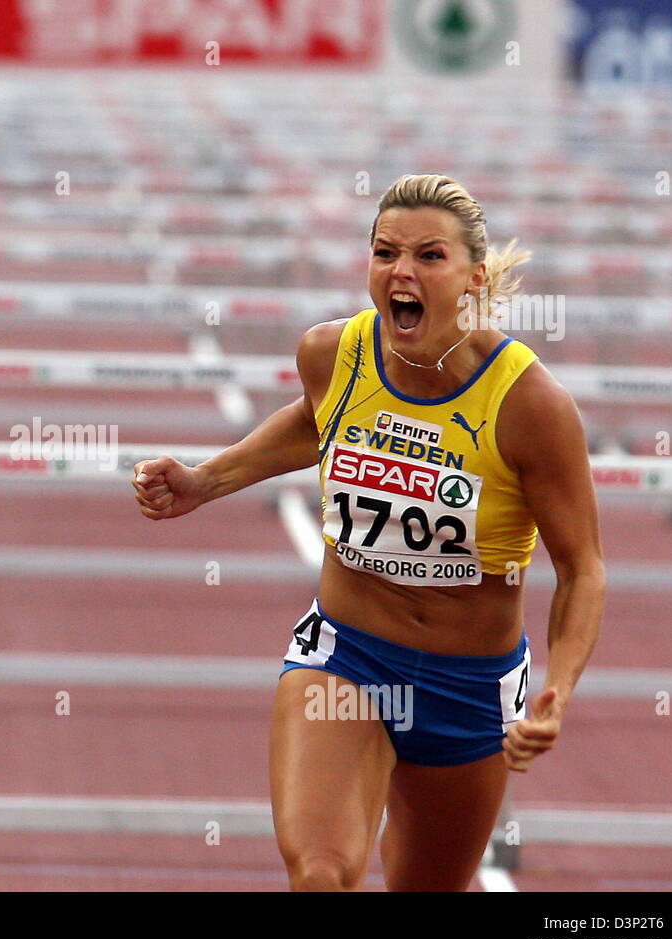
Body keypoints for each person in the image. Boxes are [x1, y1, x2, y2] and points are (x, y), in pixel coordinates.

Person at [133, 174, 605, 891]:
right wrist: (208, 479)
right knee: (321, 874)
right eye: (384, 252)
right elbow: (315, 418)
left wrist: (560, 691)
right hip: (347, 660)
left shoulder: (531, 405)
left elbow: (583, 570)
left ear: (474, 277)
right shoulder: (334, 353)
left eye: (428, 256)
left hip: (469, 688)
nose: (400, 272)